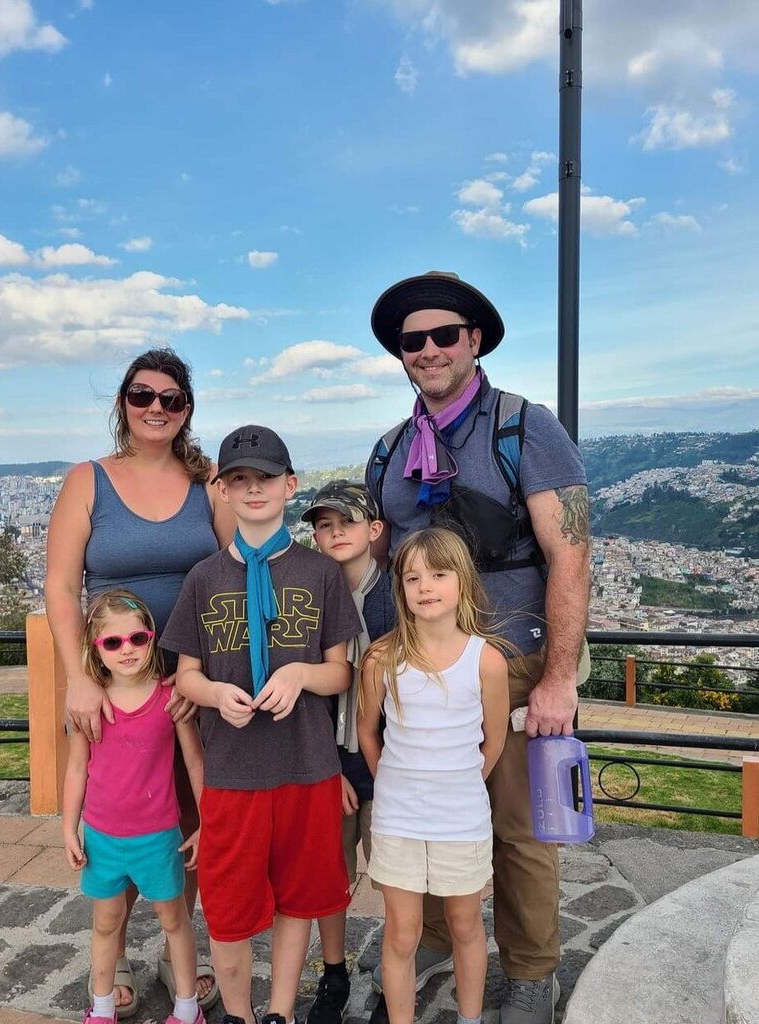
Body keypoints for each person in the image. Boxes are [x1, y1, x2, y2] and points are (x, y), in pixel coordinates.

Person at [366, 271, 590, 1024]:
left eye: (442, 335)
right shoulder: (390, 449)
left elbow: (571, 551)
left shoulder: (525, 426)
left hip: (514, 654)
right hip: (420, 663)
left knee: (519, 827)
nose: (426, 350)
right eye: (411, 340)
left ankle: (530, 969)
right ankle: (429, 932)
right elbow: (384, 556)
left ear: (473, 341)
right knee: (424, 800)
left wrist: (559, 676)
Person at [46, 348, 233, 1016]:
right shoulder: (87, 480)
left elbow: (235, 568)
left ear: (187, 409)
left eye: (171, 398)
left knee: (185, 806)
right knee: (113, 806)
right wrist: (78, 679)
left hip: (191, 672)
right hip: (110, 675)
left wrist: (208, 674)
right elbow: (62, 586)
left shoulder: (203, 479)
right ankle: (115, 948)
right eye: (142, 394)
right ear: (122, 403)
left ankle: (185, 944)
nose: (156, 407)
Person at [162, 424, 362, 1024]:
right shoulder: (203, 579)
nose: (254, 490)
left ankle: (277, 1013)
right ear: (221, 491)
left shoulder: (319, 573)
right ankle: (239, 1014)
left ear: (290, 486)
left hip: (307, 765)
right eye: (239, 479)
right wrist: (216, 692)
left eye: (266, 478)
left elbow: (341, 673)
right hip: (231, 771)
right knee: (228, 906)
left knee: (298, 900)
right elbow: (186, 677)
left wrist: (300, 675)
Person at [358, 528, 509, 1024]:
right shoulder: (382, 658)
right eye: (413, 577)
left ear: (462, 581)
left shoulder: (486, 660)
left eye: (439, 574)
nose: (426, 586)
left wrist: (458, 779)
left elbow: (494, 739)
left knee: (465, 925)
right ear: (400, 588)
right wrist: (396, 781)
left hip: (461, 817)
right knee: (401, 933)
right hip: (399, 816)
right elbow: (367, 731)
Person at [63, 589, 206, 1024]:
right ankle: (102, 1007)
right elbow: (77, 771)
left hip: (159, 836)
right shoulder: (89, 707)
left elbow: (194, 760)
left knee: (175, 921)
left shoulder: (170, 700)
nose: (127, 650)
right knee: (106, 924)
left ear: (152, 638)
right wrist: (69, 827)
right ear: (96, 647)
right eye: (113, 642)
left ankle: (187, 1009)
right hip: (103, 838)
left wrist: (207, 821)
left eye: (137, 639)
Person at [299, 480, 395, 1024]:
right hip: (331, 759)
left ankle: (391, 971)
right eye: (324, 525)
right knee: (329, 877)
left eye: (347, 523)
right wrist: (328, 767)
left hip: (386, 758)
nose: (334, 533)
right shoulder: (311, 595)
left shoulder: (396, 596)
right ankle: (333, 972)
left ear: (373, 530)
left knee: (395, 878)